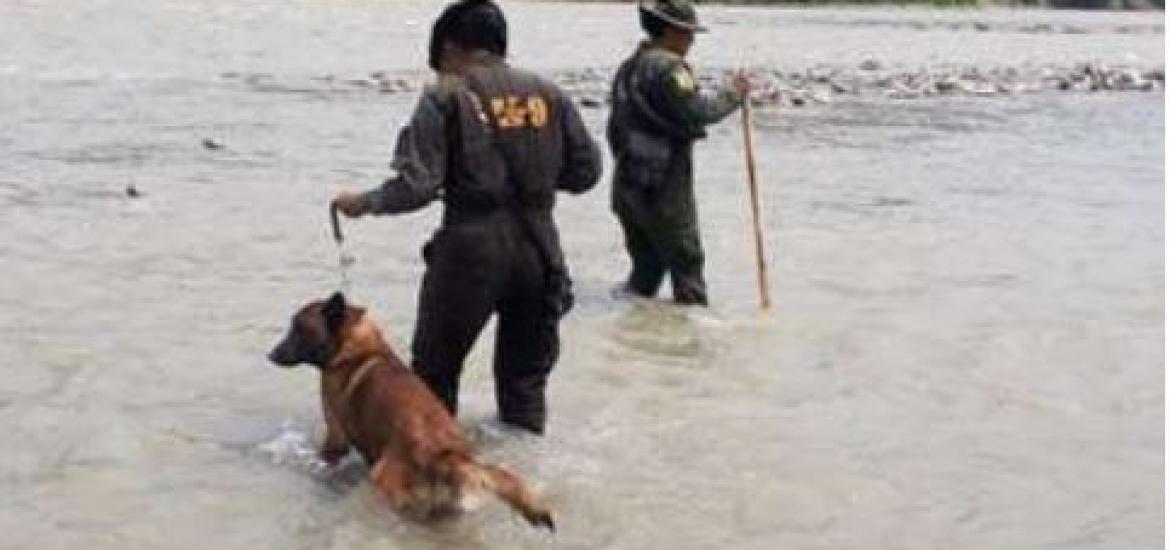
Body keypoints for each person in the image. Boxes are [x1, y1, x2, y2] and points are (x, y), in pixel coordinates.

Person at [331, 0, 602, 435]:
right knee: (525, 385)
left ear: (453, 47)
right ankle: (524, 480)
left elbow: (417, 186)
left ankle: (435, 482)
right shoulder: (549, 93)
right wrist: (535, 180)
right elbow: (586, 172)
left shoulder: (444, 94)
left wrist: (363, 203)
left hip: (469, 253)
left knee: (434, 378)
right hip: (541, 250)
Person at [607, 0, 750, 306]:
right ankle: (690, 344)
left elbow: (615, 127)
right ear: (671, 31)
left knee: (645, 271)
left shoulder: (628, 66)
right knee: (687, 268)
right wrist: (734, 94)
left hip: (628, 184)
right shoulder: (670, 68)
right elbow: (698, 112)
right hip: (665, 189)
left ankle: (631, 342)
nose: (692, 40)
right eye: (688, 32)